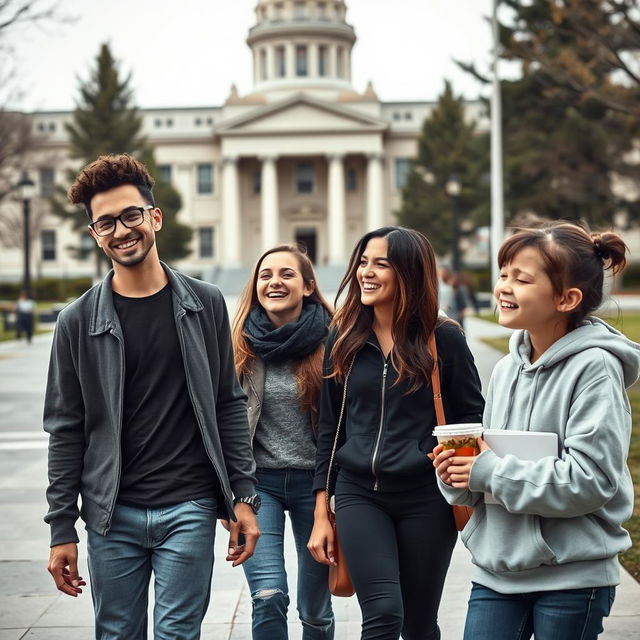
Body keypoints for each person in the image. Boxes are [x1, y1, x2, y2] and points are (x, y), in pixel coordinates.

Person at [43, 153, 260, 640]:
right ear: (95, 234)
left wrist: (242, 496)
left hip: (189, 506)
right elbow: (65, 431)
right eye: (105, 223)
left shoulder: (203, 303)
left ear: (154, 217)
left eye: (130, 215)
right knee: (117, 634)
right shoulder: (76, 322)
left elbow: (228, 403)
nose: (121, 230)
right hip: (111, 513)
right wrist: (61, 530)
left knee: (178, 634)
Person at [433, 222, 640, 640]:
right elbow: (491, 467)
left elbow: (592, 480)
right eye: (504, 274)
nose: (503, 287)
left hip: (572, 578)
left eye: (521, 278)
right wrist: (458, 474)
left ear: (567, 299)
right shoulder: (507, 369)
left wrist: (487, 470)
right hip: (498, 573)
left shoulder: (594, 368)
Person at [308, 226, 485, 640]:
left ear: (408, 272)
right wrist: (321, 512)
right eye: (363, 262)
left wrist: (447, 463)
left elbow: (471, 418)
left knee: (419, 624)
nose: (366, 272)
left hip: (427, 498)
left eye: (380, 264)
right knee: (384, 613)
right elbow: (329, 430)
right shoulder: (344, 338)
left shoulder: (444, 339)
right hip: (359, 494)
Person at [231, 244, 335, 639]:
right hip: (259, 488)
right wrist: (228, 494)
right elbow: (220, 423)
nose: (274, 282)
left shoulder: (333, 343)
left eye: (286, 274)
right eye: (266, 274)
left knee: (316, 609)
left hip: (318, 488)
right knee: (269, 595)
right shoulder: (238, 345)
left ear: (308, 286)